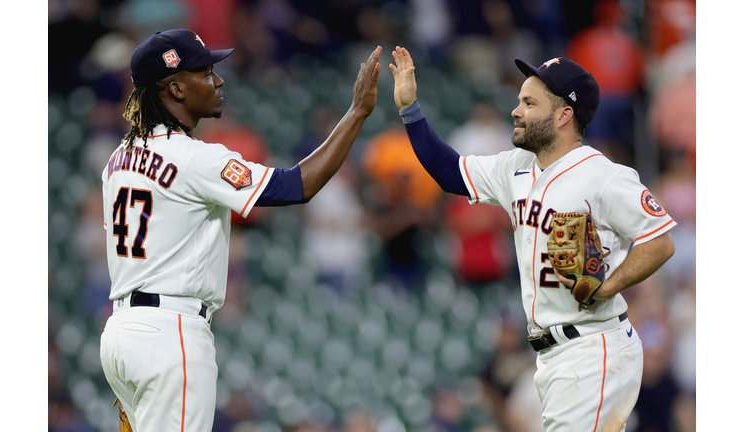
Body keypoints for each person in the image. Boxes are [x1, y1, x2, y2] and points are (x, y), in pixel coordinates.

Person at [99, 29, 381, 432]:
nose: (218, 80)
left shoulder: (118, 157)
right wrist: (356, 113)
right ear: (176, 88)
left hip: (122, 334)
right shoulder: (195, 158)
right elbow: (296, 186)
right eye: (206, 71)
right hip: (170, 333)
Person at [389, 46, 676, 431]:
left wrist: (609, 286)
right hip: (554, 354)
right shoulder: (515, 167)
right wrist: (411, 110)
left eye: (529, 102)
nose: (516, 110)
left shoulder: (604, 176)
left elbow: (659, 242)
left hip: (593, 347)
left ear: (563, 115)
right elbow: (450, 173)